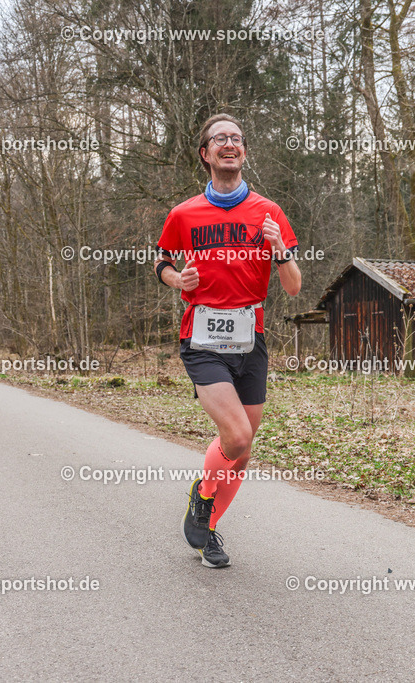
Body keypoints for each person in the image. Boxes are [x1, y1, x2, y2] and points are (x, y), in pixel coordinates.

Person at [155, 113, 301, 568]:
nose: (230, 144)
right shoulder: (184, 214)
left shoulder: (269, 212)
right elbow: (161, 261)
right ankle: (202, 495)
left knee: (243, 449)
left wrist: (279, 250)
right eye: (220, 138)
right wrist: (177, 279)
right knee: (235, 436)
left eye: (237, 138)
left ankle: (208, 532)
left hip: (250, 338)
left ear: (244, 152)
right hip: (202, 338)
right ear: (206, 153)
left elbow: (294, 287)